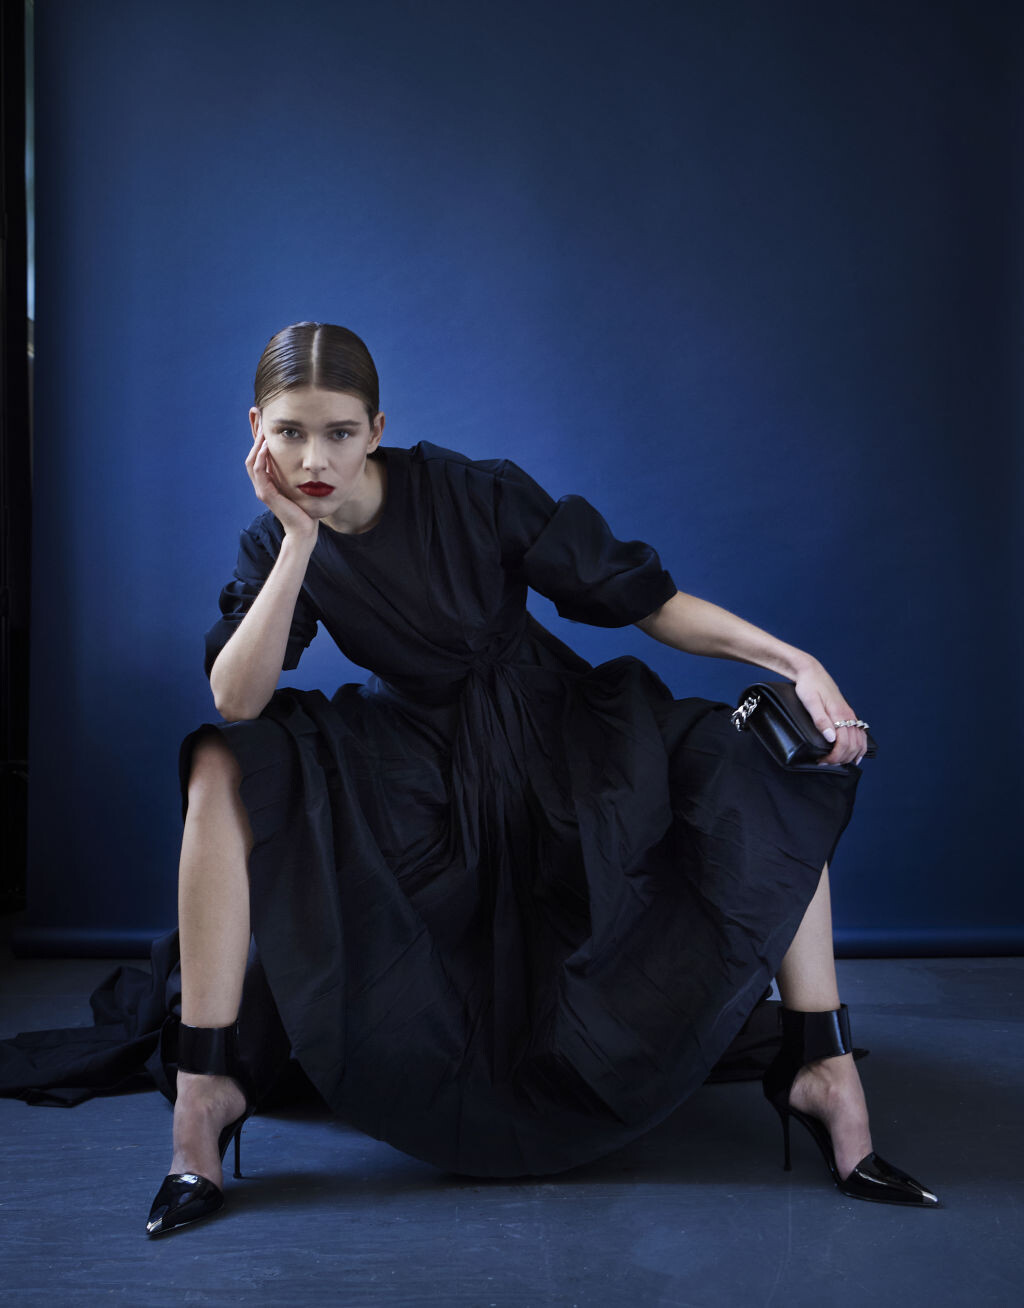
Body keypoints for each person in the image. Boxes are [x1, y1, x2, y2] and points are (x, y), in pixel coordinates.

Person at [146, 322, 937, 1236]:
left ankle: (821, 1069)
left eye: (339, 432)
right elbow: (238, 698)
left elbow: (648, 603)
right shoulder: (273, 539)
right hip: (412, 754)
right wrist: (296, 543)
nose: (314, 460)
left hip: (553, 731)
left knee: (759, 762)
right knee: (221, 760)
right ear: (256, 431)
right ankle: (204, 1096)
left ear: (377, 429)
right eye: (290, 433)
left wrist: (795, 661)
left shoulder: (474, 492)